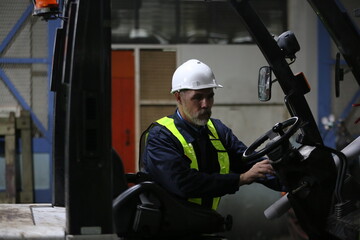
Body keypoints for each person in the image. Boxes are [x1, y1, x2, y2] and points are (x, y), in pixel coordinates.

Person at [141, 59, 284, 210]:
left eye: (210, 96)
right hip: (169, 228)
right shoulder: (161, 136)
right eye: (197, 97)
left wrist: (288, 180)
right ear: (178, 97)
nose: (206, 104)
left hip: (203, 222)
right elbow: (183, 183)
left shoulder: (218, 130)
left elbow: (249, 161)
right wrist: (240, 179)